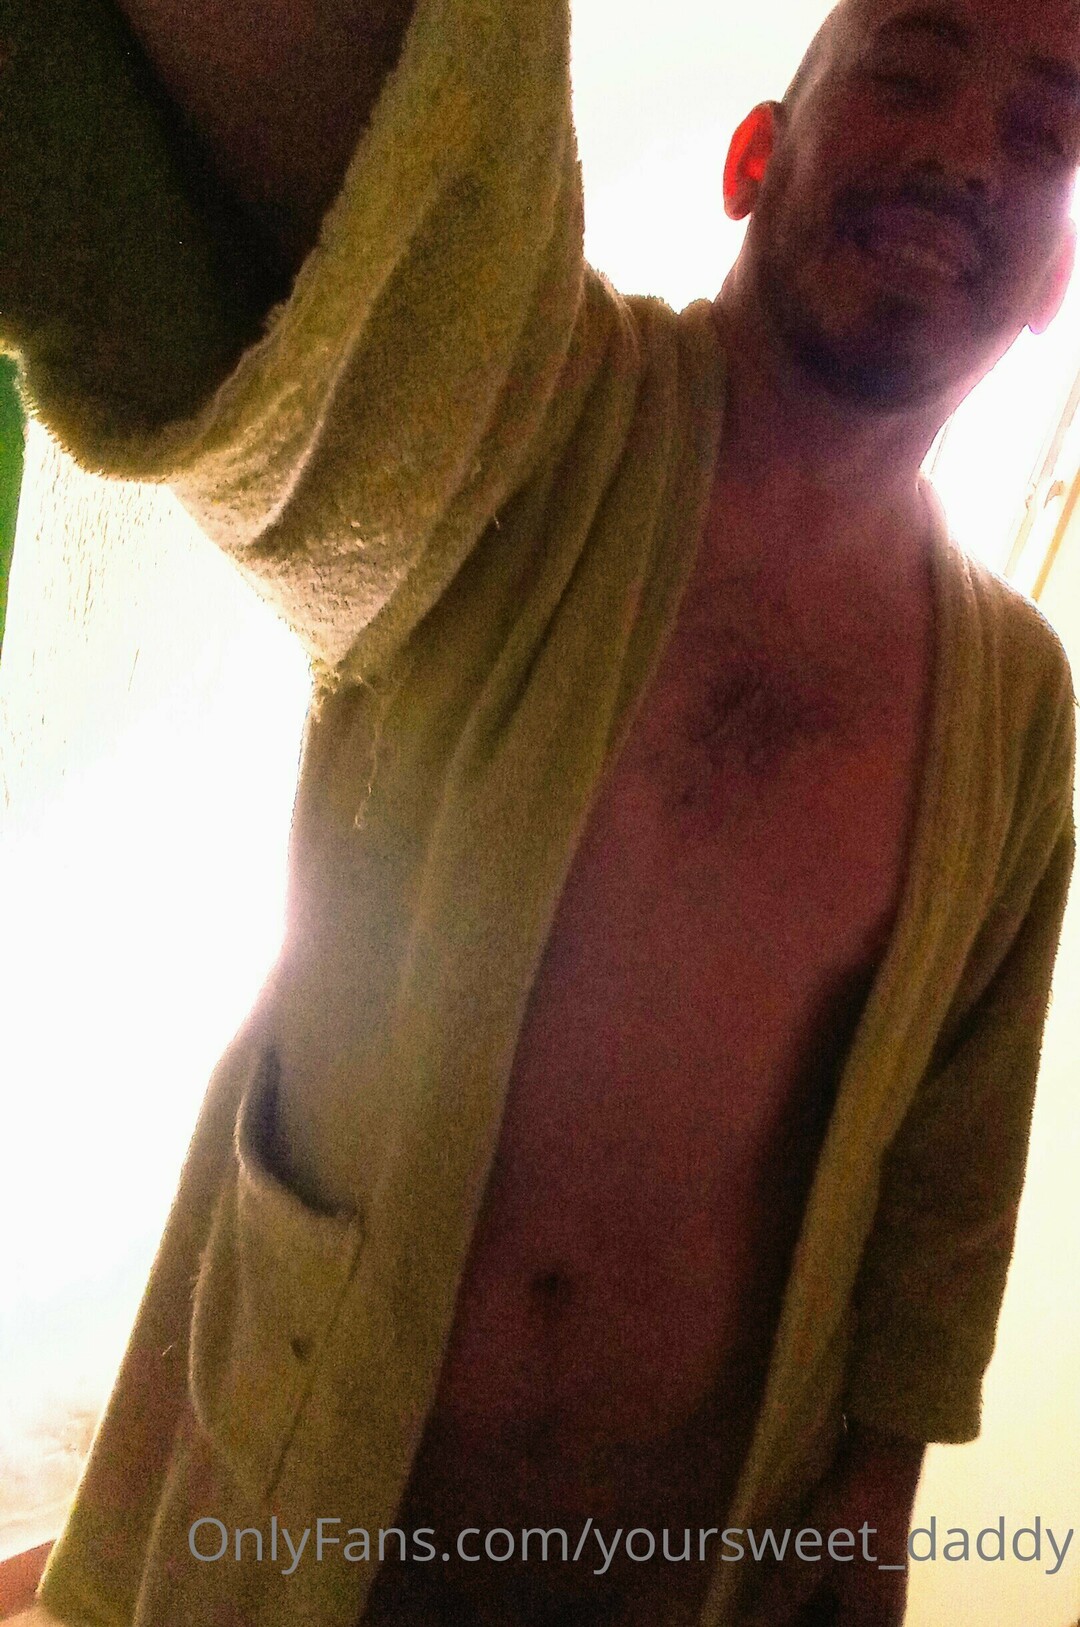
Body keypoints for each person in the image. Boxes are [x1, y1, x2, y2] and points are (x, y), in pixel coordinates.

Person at [0, 0, 1075, 1623]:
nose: (967, 155)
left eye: (1046, 133)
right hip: (300, 1509)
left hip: (673, 1566)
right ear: (753, 159)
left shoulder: (1017, 702)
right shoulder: (538, 415)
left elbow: (952, 1154)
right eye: (912, 74)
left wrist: (877, 1500)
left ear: (1057, 281)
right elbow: (418, 166)